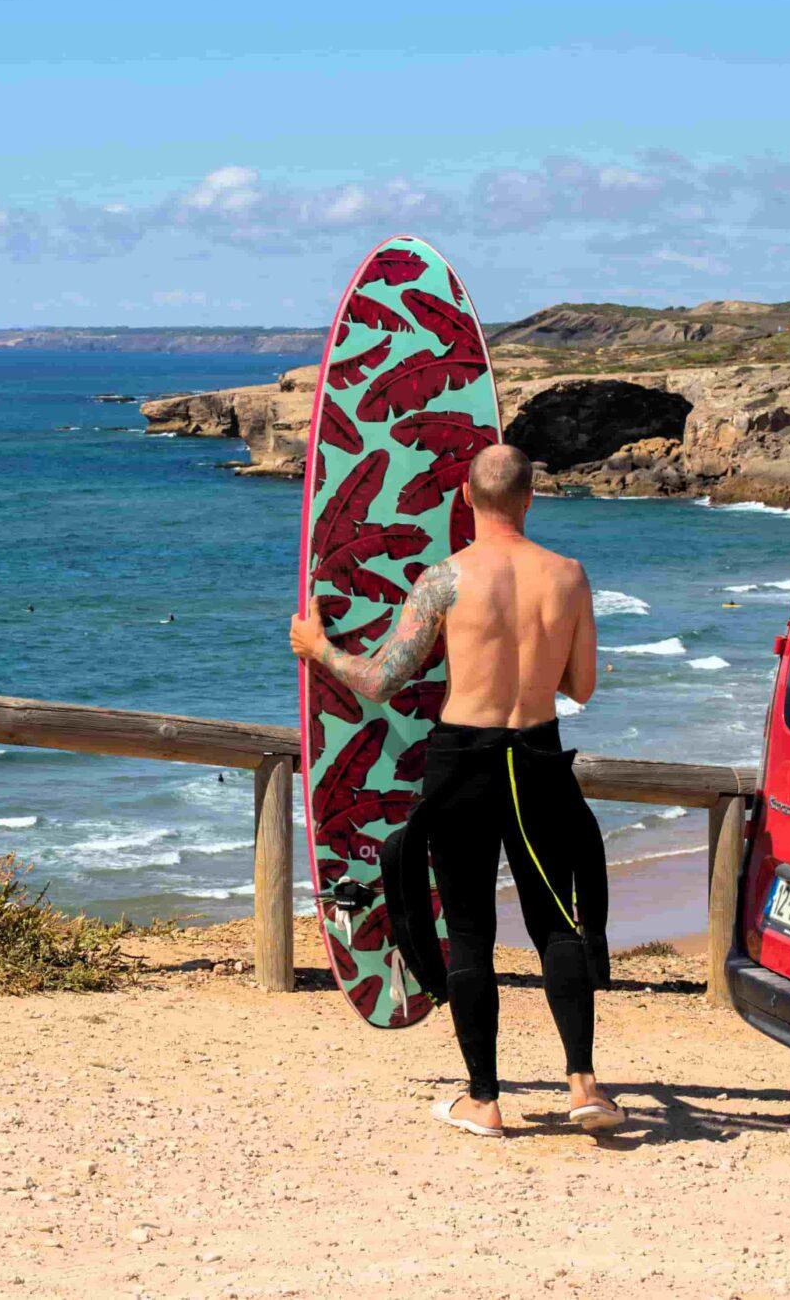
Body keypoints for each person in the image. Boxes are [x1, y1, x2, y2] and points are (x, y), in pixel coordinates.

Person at [287, 444, 622, 1135]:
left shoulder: (444, 579)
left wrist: (317, 648)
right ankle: (585, 1086)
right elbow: (582, 687)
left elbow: (384, 678)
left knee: (469, 930)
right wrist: (533, 665)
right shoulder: (569, 576)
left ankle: (484, 1099)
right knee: (556, 919)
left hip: (462, 763)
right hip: (535, 757)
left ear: (466, 498)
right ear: (532, 498)